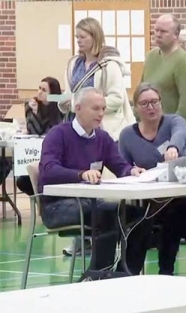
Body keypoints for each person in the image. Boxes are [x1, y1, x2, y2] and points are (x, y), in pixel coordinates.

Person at [38, 87, 149, 275]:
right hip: (56, 206)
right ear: (78, 108)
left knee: (142, 216)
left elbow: (119, 166)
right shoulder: (58, 134)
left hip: (90, 202)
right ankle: (97, 274)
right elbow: (48, 170)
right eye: (95, 108)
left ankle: (125, 273)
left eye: (103, 109)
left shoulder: (103, 138)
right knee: (106, 212)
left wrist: (132, 170)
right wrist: (80, 174)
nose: (101, 114)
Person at [119, 82, 186, 278]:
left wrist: (173, 147)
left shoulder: (174, 121)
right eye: (145, 103)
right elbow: (121, 166)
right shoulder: (127, 135)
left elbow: (180, 133)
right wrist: (131, 170)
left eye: (155, 102)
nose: (151, 107)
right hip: (151, 203)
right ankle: (164, 272)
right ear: (136, 108)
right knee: (169, 218)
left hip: (183, 195)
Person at [58, 17, 135, 257]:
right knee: (81, 181)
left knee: (104, 187)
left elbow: (116, 98)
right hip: (77, 128)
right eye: (77, 38)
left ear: (95, 37)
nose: (79, 41)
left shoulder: (109, 65)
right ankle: (83, 237)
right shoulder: (73, 64)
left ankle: (105, 238)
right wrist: (66, 103)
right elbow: (71, 94)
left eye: (83, 37)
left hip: (106, 131)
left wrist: (93, 106)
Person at [142, 14, 186, 124]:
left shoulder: (183, 60)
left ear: (176, 35)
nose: (158, 34)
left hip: (169, 128)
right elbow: (141, 90)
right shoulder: (151, 56)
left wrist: (176, 129)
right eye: (156, 30)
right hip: (147, 127)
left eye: (163, 31)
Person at [17, 77, 64, 196]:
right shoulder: (31, 105)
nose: (39, 92)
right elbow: (34, 131)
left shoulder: (60, 109)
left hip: (52, 156)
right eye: (39, 88)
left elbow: (51, 131)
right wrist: (34, 113)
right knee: (22, 181)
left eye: (44, 90)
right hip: (33, 153)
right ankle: (40, 202)